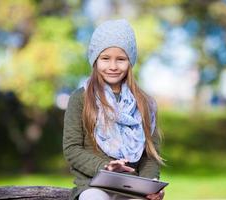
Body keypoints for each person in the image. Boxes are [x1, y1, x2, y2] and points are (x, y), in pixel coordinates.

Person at [63, 19, 164, 200]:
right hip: (93, 184)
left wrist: (151, 185)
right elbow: (72, 149)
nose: (113, 66)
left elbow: (150, 155)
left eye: (121, 59)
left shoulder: (144, 103)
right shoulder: (80, 98)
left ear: (130, 61)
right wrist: (105, 167)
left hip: (132, 188)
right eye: (105, 58)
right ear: (95, 60)